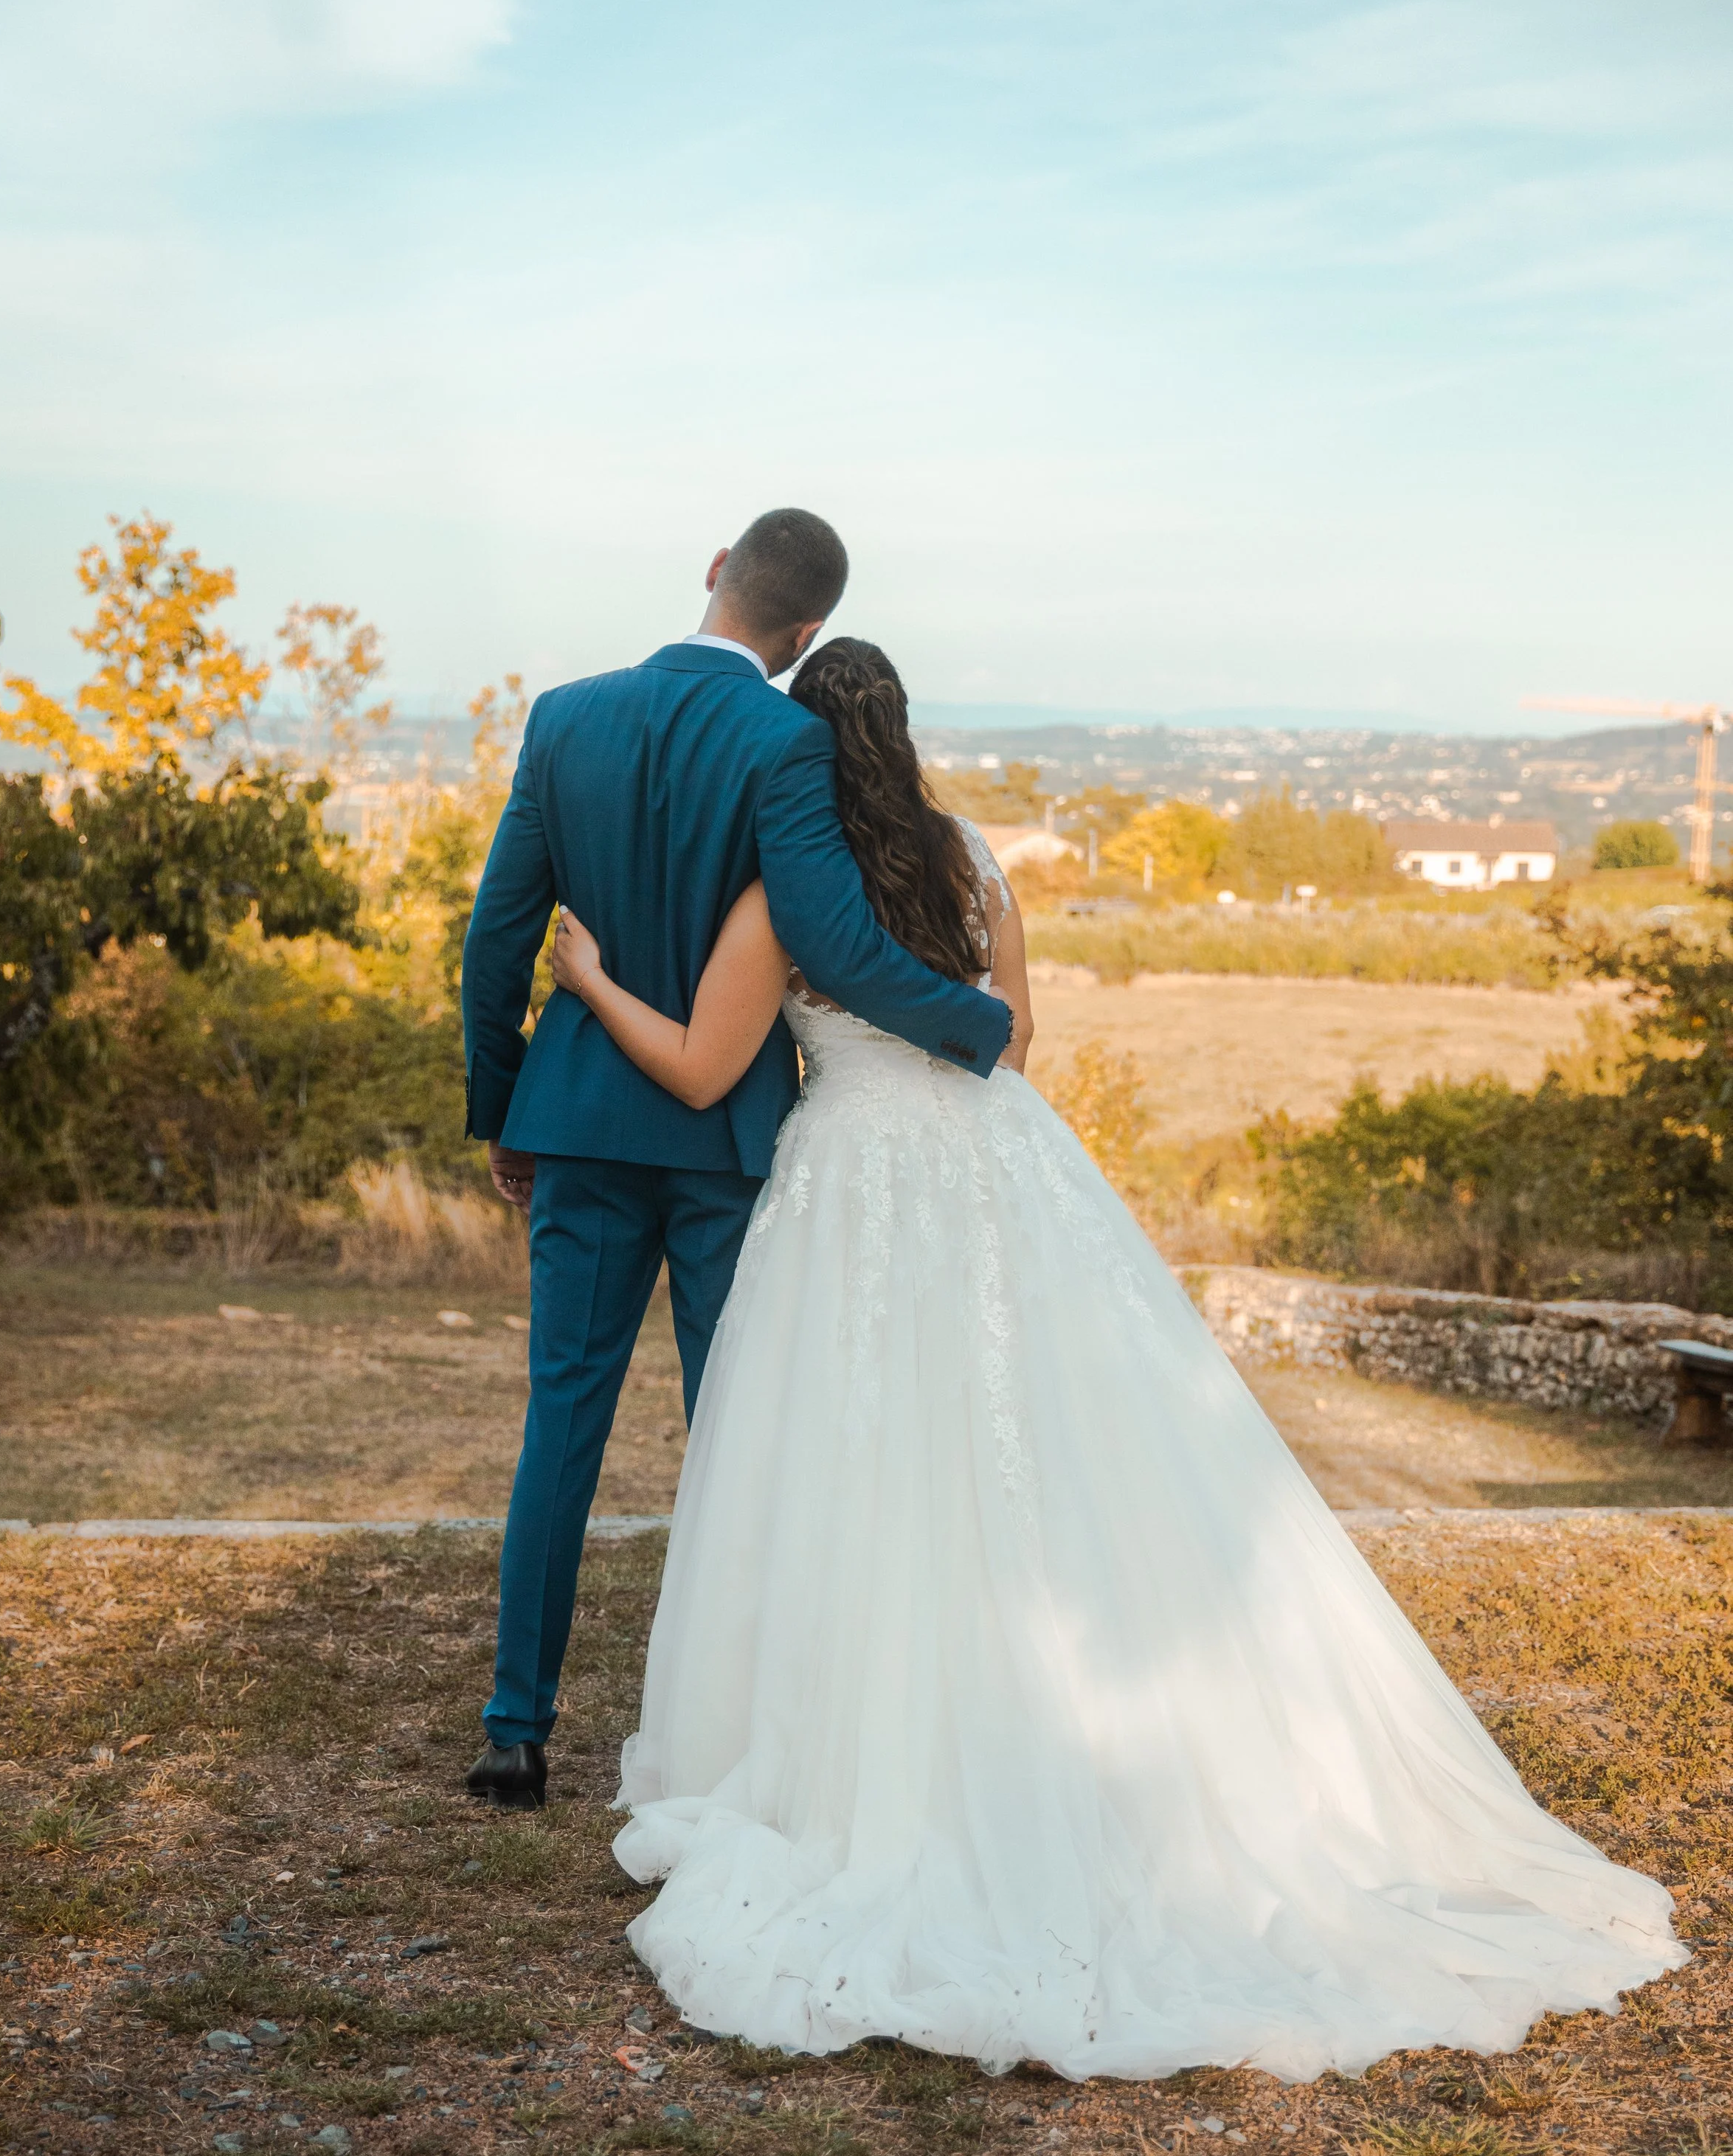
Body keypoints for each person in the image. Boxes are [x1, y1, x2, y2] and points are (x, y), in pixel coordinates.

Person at [547, 634, 1684, 2082]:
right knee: (1067, 1445)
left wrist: (587, 979)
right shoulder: (971, 864)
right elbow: (1010, 1043)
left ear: (795, 755)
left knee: (868, 1461)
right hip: (1003, 1172)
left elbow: (706, 1070)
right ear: (900, 735)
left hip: (854, 1189)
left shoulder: (781, 898)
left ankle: (885, 1753)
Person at [459, 514, 1010, 1812]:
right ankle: (737, 1724)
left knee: (563, 1424)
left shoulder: (565, 716)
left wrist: (502, 1111)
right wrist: (975, 1021)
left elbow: (500, 933)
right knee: (733, 1435)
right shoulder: (788, 738)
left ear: (714, 570)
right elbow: (832, 936)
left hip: (584, 1126)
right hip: (725, 1143)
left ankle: (515, 1732)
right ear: (804, 632)